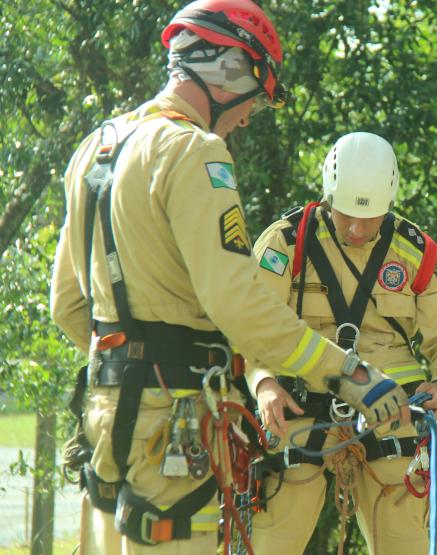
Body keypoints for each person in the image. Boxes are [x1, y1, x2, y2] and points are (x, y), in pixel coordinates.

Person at [50, 2, 408, 553]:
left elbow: (68, 307)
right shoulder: (194, 151)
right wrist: (349, 373)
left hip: (105, 407)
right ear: (228, 70)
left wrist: (131, 368)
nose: (247, 116)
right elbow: (235, 301)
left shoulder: (97, 149)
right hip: (174, 423)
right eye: (255, 97)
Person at [246, 132, 437, 554]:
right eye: (346, 214)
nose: (356, 228)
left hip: (393, 411)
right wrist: (263, 383)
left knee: (405, 543)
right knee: (273, 540)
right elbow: (253, 327)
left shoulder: (417, 254)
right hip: (299, 406)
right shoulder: (287, 245)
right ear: (328, 198)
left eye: (370, 219)